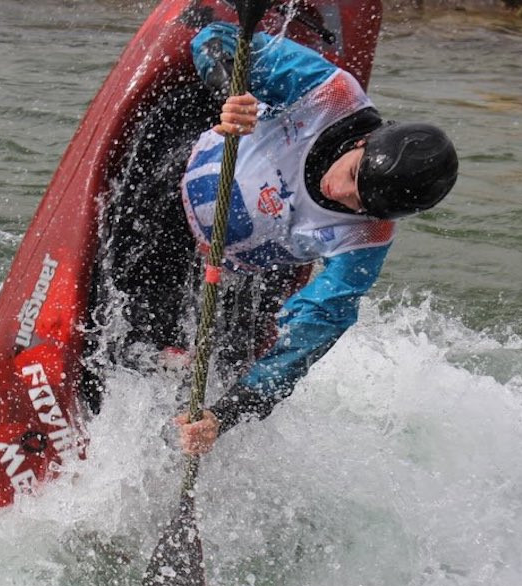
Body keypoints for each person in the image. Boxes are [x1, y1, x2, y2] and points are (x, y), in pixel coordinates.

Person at [171, 21, 459, 456]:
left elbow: (309, 337)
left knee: (199, 367)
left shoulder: (368, 238)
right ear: (364, 142)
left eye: (359, 203)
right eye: (353, 175)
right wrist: (230, 92)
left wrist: (225, 416)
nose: (339, 193)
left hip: (229, 274)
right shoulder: (331, 94)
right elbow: (215, 38)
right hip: (175, 181)